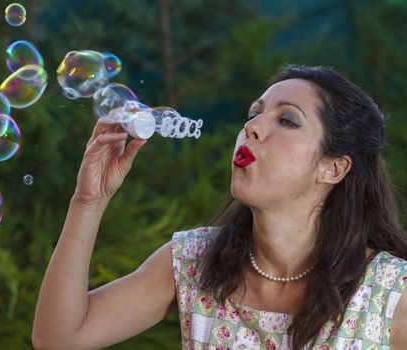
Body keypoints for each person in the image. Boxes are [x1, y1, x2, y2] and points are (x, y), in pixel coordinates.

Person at [32, 65, 407, 349]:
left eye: (288, 120)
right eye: (253, 114)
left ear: (333, 167)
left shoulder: (388, 292)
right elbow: (58, 338)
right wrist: (88, 201)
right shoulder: (194, 262)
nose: (252, 127)